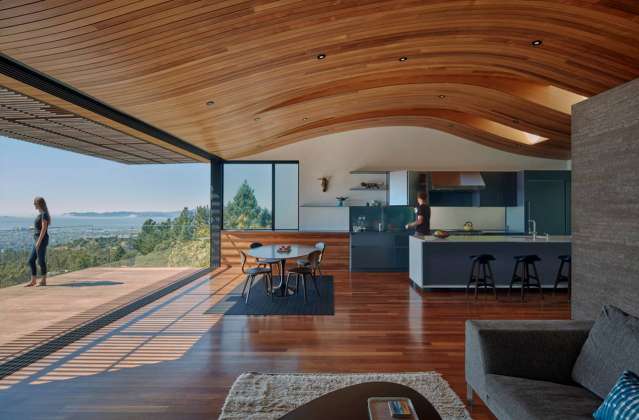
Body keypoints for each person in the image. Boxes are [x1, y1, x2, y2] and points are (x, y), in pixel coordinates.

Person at [26, 197, 50, 287]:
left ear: (39, 204)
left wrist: (39, 241)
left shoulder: (44, 214)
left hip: (41, 240)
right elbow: (40, 227)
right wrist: (34, 228)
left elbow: (44, 229)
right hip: (37, 239)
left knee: (41, 260)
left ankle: (43, 280)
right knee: (31, 260)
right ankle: (33, 281)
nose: (34, 205)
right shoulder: (41, 214)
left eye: (35, 203)